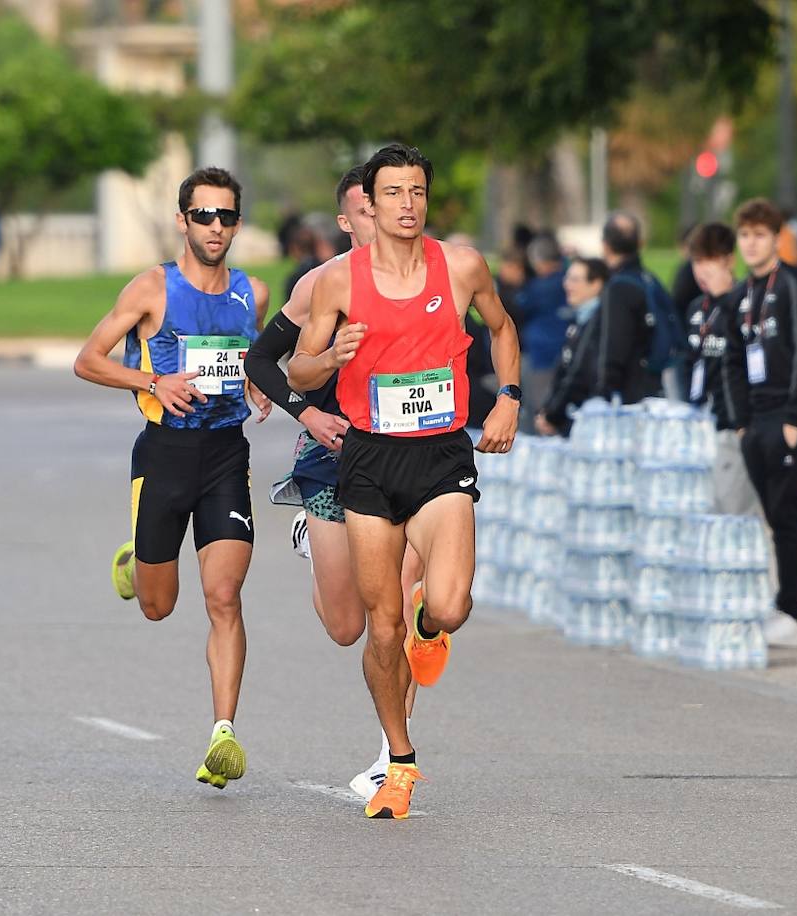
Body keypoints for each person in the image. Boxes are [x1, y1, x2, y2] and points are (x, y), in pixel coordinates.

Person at [288, 143, 521, 819]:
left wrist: (507, 397)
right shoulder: (337, 280)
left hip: (440, 457)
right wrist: (331, 355)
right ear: (371, 201)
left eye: (417, 191)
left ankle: (433, 624)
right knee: (379, 629)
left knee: (446, 607)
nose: (407, 205)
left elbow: (502, 330)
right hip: (367, 459)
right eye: (393, 193)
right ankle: (399, 761)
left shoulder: (461, 267)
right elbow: (298, 374)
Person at [73, 166, 271, 790]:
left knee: (224, 597)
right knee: (159, 607)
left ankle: (223, 735)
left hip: (224, 457)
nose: (216, 227)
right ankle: (137, 558)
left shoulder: (253, 293)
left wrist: (259, 382)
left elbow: (254, 358)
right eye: (204, 215)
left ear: (238, 223)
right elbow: (88, 361)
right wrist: (153, 381)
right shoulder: (151, 288)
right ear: (182, 221)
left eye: (227, 216)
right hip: (163, 456)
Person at [243, 166, 426, 800]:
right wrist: (309, 411)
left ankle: (391, 754)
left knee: (396, 613)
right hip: (330, 457)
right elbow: (263, 362)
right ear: (350, 220)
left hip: (407, 460)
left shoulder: (428, 274)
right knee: (348, 625)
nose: (386, 217)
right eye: (368, 210)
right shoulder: (321, 285)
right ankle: (307, 535)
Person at [723, 197, 797, 648]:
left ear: (776, 238)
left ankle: (794, 610)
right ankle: (782, 603)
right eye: (745, 235)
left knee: (788, 512)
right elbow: (732, 360)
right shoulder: (739, 295)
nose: (751, 243)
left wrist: (794, 416)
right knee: (773, 514)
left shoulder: (795, 288)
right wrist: (741, 422)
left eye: (760, 235)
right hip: (757, 418)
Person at [683, 221, 756, 515]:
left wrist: (726, 298)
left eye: (709, 261)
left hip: (732, 424)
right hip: (701, 425)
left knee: (733, 512)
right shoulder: (695, 308)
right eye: (697, 262)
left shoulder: (743, 304)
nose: (702, 270)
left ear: (729, 260)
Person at [595, 211, 668, 404]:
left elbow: (614, 345)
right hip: (653, 379)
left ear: (605, 245)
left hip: (629, 391)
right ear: (640, 243)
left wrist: (603, 391)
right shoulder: (650, 280)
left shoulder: (618, 287)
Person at [536, 257, 608, 437]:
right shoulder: (578, 322)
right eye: (567, 278)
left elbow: (580, 374)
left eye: (575, 280)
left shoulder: (599, 324)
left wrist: (553, 415)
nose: (567, 285)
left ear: (596, 284)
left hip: (586, 423)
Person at [515, 233, 569, 430]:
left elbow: (520, 306)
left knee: (539, 411)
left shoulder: (538, 288)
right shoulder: (569, 278)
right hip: (566, 353)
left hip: (542, 356)